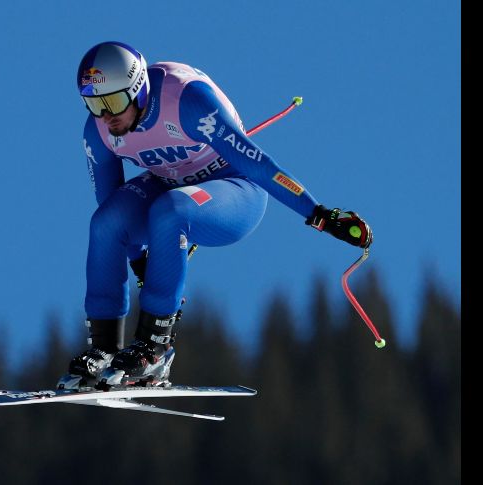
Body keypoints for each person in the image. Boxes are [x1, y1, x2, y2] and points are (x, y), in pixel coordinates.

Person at [57, 41, 372, 390]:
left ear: (139, 89)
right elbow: (112, 206)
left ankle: (155, 349)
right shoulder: (99, 130)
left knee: (171, 211)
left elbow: (258, 165)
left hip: (235, 190)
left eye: (114, 102)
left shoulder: (188, 101)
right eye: (94, 104)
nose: (106, 115)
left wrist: (320, 214)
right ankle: (103, 349)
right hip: (170, 183)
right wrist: (140, 261)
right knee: (105, 222)